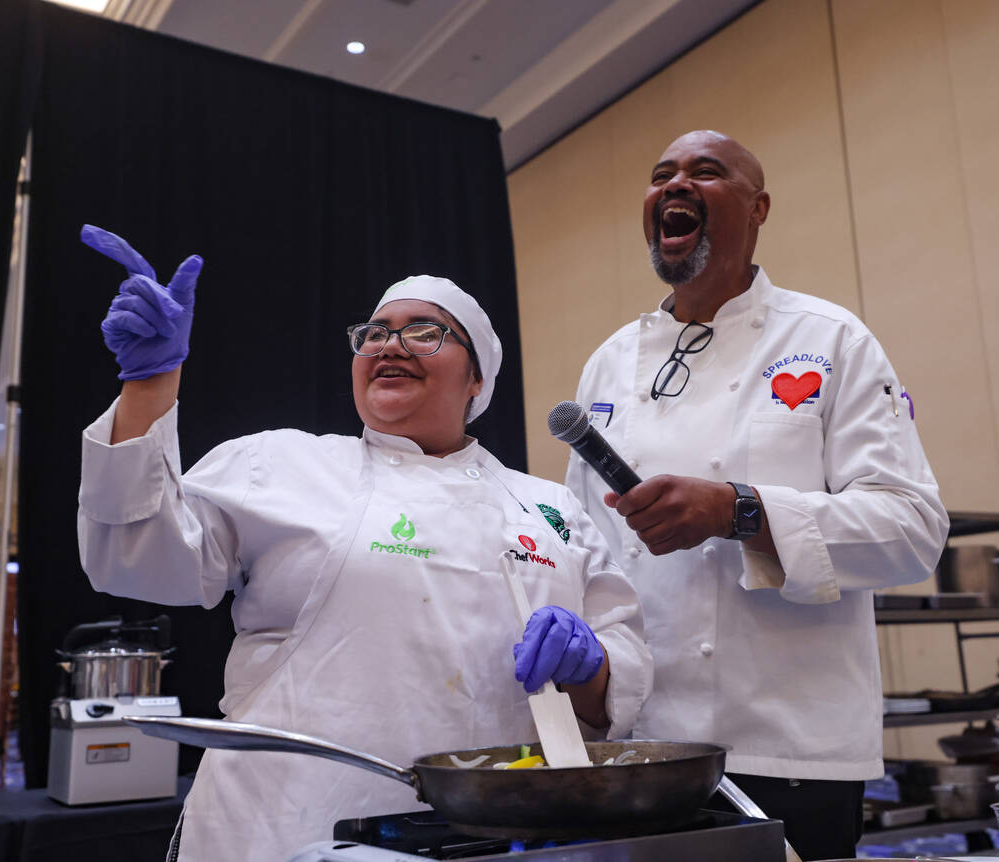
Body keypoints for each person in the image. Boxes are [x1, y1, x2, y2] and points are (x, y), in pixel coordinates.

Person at [75, 226, 652, 862]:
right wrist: (149, 385)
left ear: (476, 381)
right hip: (288, 829)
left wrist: (592, 662)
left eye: (425, 331)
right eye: (374, 333)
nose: (389, 345)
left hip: (491, 836)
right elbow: (136, 562)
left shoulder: (550, 507)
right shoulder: (280, 463)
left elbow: (623, 663)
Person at [564, 131, 949, 860]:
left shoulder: (833, 341)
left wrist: (739, 510)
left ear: (758, 207)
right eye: (660, 176)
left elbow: (913, 530)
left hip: (791, 753)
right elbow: (584, 550)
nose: (675, 186)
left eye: (705, 173)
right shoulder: (609, 364)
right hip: (641, 752)